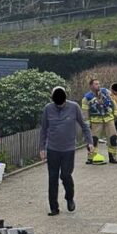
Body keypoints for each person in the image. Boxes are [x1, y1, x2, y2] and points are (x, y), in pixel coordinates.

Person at [40, 87, 94, 216]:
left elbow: (84, 125)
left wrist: (90, 141)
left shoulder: (74, 107)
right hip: (52, 149)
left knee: (65, 175)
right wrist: (42, 148)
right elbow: (43, 129)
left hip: (68, 149)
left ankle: (69, 197)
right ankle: (54, 207)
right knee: (52, 178)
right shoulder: (48, 109)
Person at [81, 79, 117, 164]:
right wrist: (87, 123)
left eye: (99, 83)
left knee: (113, 138)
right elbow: (85, 112)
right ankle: (91, 157)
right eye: (96, 84)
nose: (98, 85)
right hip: (96, 121)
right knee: (93, 140)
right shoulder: (86, 98)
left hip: (108, 119)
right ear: (91, 86)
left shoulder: (106, 92)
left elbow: (113, 102)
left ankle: (113, 157)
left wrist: (116, 113)